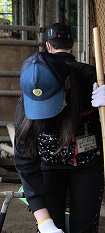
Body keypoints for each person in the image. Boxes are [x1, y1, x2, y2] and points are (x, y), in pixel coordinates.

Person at [14, 51, 104, 233]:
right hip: (49, 164)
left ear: (67, 83)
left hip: (87, 161)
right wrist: (44, 223)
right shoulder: (26, 103)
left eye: (51, 100)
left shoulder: (91, 79)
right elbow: (25, 163)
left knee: (85, 227)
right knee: (50, 222)